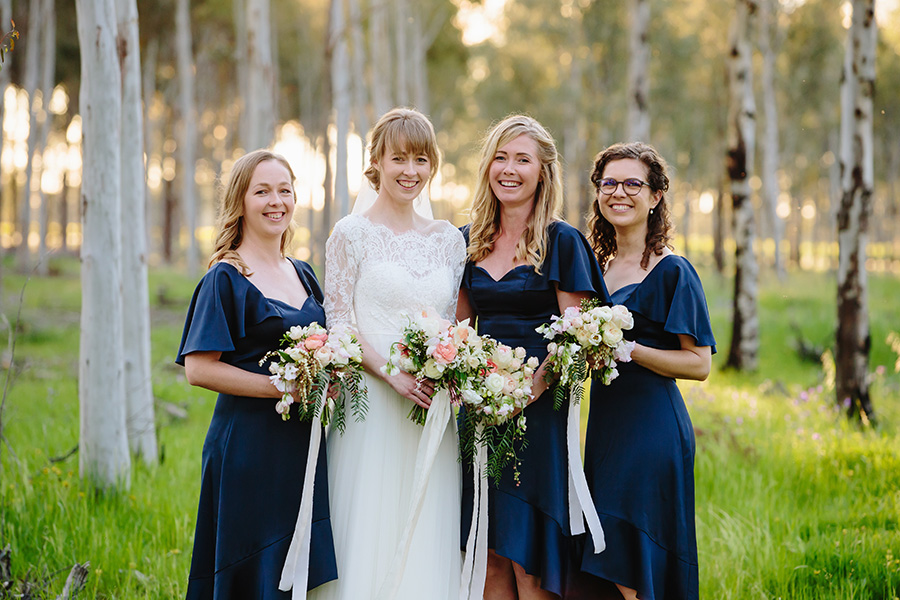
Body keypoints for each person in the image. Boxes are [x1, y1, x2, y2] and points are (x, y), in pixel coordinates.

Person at [308, 107, 466, 600]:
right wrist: (391, 373)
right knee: (369, 518)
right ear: (376, 161)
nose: (410, 171)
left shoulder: (448, 240)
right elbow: (340, 323)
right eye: (399, 158)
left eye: (421, 159)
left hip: (430, 404)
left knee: (426, 520)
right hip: (371, 402)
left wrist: (450, 368)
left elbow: (453, 324)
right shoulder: (349, 234)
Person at [457, 114, 607, 600]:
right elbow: (455, 330)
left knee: (529, 559)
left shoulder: (562, 241)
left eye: (522, 160)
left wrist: (526, 391)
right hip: (480, 410)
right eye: (500, 157)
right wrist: (473, 387)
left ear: (543, 172)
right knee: (487, 553)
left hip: (538, 414)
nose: (509, 169)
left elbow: (576, 336)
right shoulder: (467, 241)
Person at [176, 150, 338, 598]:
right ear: (241, 201)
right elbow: (198, 369)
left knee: (293, 574)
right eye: (262, 191)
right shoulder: (226, 277)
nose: (276, 201)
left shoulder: (303, 273)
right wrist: (281, 388)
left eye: (284, 190)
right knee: (251, 575)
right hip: (247, 449)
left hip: (300, 447)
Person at [580, 142, 716, 600]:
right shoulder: (596, 269)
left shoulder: (674, 271)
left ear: (656, 196)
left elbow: (699, 364)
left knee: (632, 563)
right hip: (606, 430)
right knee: (606, 555)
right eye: (609, 183)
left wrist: (629, 349)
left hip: (652, 432)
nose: (619, 192)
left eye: (632, 184)